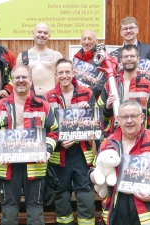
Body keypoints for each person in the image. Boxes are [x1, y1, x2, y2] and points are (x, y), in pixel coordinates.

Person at [89, 100, 150, 225]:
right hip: (117, 208)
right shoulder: (108, 144)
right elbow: (95, 169)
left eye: (133, 116)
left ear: (142, 117)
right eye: (124, 117)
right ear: (118, 119)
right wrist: (93, 176)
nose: (129, 121)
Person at [0, 64, 59, 225]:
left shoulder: (43, 106)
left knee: (35, 213)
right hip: (7, 167)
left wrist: (47, 150)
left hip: (35, 165)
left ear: (31, 81)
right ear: (11, 81)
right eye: (17, 78)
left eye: (24, 77)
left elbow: (54, 131)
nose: (20, 81)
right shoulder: (0, 106)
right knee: (9, 213)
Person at [43, 58, 95, 225]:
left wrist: (88, 111)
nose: (64, 75)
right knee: (61, 193)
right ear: (56, 74)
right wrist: (58, 141)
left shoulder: (87, 93)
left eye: (67, 72)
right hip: (59, 153)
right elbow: (45, 126)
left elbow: (95, 125)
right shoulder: (47, 96)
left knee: (84, 191)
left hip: (82, 151)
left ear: (73, 73)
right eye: (61, 72)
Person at [97, 44, 150, 137]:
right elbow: (99, 116)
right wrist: (107, 108)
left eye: (132, 56)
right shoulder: (110, 85)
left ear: (138, 59)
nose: (129, 59)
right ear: (121, 60)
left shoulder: (148, 86)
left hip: (140, 140)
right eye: (125, 56)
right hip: (115, 139)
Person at [16, 22, 63, 97]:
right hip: (29, 98)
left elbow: (63, 79)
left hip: (51, 98)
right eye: (39, 32)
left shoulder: (57, 56)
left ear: (49, 36)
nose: (42, 35)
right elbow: (16, 80)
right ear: (33, 33)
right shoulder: (22, 56)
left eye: (45, 33)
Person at [73, 29, 107, 98]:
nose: (86, 42)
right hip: (76, 98)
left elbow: (105, 82)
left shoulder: (102, 57)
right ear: (80, 41)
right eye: (84, 39)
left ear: (96, 41)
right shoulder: (76, 58)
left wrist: (87, 92)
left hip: (95, 99)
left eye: (90, 39)